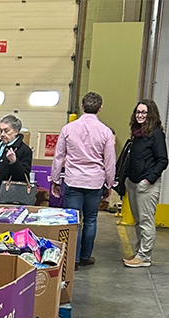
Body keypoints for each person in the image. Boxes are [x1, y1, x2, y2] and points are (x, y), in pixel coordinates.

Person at [50, 92, 116, 269]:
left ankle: (73, 259)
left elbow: (58, 157)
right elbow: (110, 161)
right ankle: (86, 256)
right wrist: (109, 184)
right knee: (91, 220)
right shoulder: (106, 132)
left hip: (73, 180)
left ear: (81, 106)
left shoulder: (68, 129)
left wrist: (55, 180)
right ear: (100, 108)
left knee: (73, 222)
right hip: (95, 181)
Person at [123, 99, 168, 269]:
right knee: (138, 221)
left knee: (146, 222)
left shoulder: (156, 134)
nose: (140, 115)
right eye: (138, 112)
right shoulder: (137, 133)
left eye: (144, 112)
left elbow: (163, 160)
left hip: (147, 186)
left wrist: (148, 179)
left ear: (151, 115)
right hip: (134, 184)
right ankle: (138, 252)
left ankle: (144, 256)